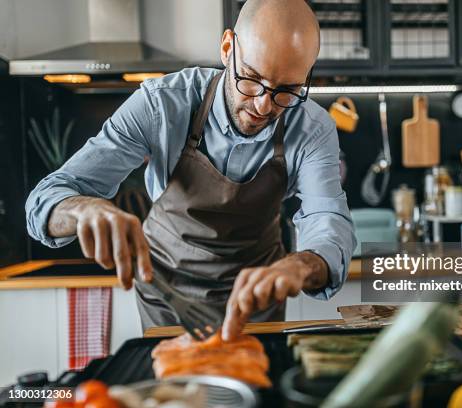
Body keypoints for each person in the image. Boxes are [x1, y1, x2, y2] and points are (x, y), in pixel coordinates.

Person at [25, 0, 356, 341]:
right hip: (168, 298)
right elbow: (45, 200)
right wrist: (84, 210)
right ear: (227, 48)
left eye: (286, 90)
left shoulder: (313, 128)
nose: (262, 104)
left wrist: (302, 264)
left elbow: (327, 216)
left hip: (258, 303)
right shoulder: (162, 103)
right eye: (252, 78)